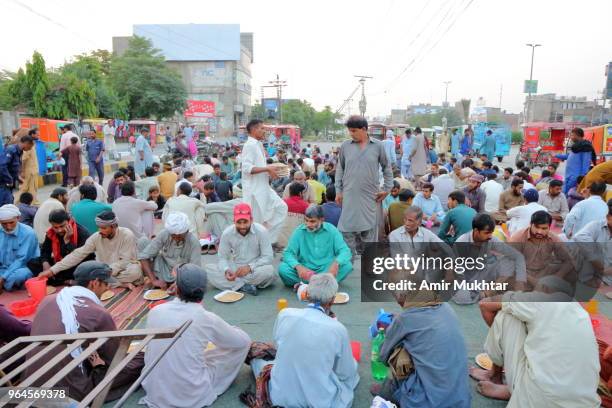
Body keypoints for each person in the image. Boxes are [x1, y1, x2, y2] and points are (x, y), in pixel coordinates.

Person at [27, 261, 144, 402]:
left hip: (30, 383)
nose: (108, 289)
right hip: (70, 393)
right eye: (106, 284)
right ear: (94, 283)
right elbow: (114, 359)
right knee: (139, 359)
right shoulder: (98, 313)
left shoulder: (47, 300)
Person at [142, 263, 250, 407]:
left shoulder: (156, 310)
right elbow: (242, 342)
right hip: (191, 396)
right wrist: (233, 329)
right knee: (237, 347)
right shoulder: (205, 317)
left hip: (155, 392)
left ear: (177, 289)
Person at [249, 273, 359, 408]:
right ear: (332, 300)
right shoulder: (338, 329)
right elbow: (345, 372)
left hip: (279, 396)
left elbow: (278, 348)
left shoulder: (285, 314)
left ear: (306, 294)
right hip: (319, 402)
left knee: (260, 362)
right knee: (351, 373)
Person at [473, 292, 600, 407]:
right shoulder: (576, 306)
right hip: (586, 402)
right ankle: (512, 387)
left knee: (506, 314)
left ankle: (495, 376)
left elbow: (485, 305)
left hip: (537, 401)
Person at [373, 270, 471, 408]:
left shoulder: (405, 320)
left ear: (400, 296)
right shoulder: (446, 307)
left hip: (427, 403)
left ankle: (391, 392)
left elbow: (383, 356)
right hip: (461, 401)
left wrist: (389, 331)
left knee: (398, 354)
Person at [335, 116, 393, 256]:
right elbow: (340, 169)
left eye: (354, 131)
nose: (351, 134)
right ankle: (347, 264)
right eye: (350, 131)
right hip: (349, 196)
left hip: (371, 197)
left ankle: (368, 267)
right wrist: (338, 191)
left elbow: (387, 168)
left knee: (370, 235)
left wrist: (386, 189)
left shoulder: (378, 146)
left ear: (364, 129)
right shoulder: (345, 146)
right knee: (346, 231)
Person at [43, 211, 143, 288]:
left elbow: (124, 261)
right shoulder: (96, 237)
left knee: (134, 271)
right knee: (87, 272)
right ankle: (116, 283)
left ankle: (105, 282)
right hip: (104, 271)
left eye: (104, 228)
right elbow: (78, 254)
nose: (100, 231)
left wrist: (105, 272)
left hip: (121, 269)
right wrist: (53, 270)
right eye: (99, 227)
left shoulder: (127, 235)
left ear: (114, 226)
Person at [453, 214, 527, 304]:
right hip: (464, 277)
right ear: (476, 231)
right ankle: (479, 294)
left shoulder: (491, 239)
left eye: (491, 232)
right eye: (487, 233)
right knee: (463, 298)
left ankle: (486, 292)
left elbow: (516, 255)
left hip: (483, 275)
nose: (490, 236)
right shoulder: (461, 242)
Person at [205, 203, 275, 295]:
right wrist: (226, 270)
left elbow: (268, 257)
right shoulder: (227, 233)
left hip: (255, 268)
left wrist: (249, 267)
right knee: (208, 270)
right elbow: (222, 258)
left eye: (245, 222)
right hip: (235, 268)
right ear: (234, 221)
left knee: (269, 271)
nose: (242, 226)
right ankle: (244, 285)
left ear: (251, 220)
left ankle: (236, 284)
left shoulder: (261, 231)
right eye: (239, 222)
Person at [279, 205, 352, 287]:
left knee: (347, 266)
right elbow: (288, 253)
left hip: (326, 270)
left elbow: (345, 251)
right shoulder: (299, 231)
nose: (308, 224)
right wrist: (298, 267)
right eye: (306, 220)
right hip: (306, 271)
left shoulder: (332, 230)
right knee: (283, 269)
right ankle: (324, 283)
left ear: (322, 219)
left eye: (312, 221)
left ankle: (307, 284)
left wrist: (336, 263)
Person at [241, 119, 288, 244]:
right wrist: (267, 168)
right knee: (256, 222)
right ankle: (257, 247)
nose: (264, 131)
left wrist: (270, 171)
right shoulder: (249, 145)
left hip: (264, 188)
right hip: (254, 192)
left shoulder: (258, 144)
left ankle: (266, 241)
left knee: (281, 208)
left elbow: (259, 166)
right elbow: (246, 169)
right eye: (262, 128)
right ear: (253, 130)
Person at [508, 211, 574, 288]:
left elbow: (569, 261)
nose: (539, 231)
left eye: (544, 228)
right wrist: (534, 281)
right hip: (523, 273)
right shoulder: (518, 238)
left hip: (544, 271)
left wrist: (557, 277)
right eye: (537, 227)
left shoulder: (553, 238)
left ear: (549, 227)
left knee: (573, 272)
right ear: (530, 224)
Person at [138, 212, 201, 289]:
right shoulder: (165, 234)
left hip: (181, 275)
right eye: (173, 236)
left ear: (186, 231)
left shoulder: (194, 243)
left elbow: (195, 270)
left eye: (180, 236)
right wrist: (153, 280)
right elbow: (143, 257)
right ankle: (155, 280)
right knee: (143, 241)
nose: (176, 239)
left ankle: (174, 284)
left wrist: (179, 284)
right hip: (162, 269)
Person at [34, 209, 93, 286]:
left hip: (77, 264)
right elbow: (45, 250)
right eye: (55, 227)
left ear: (69, 222)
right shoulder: (51, 232)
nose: (59, 230)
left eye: (62, 226)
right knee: (34, 262)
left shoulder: (82, 233)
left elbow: (77, 257)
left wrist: (67, 242)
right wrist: (45, 263)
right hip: (59, 263)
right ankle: (59, 279)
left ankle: (63, 280)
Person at [0, 204, 39, 293]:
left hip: (21, 268)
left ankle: (4, 285)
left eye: (11, 222)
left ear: (18, 218)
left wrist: (3, 277)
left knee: (20, 275)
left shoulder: (28, 233)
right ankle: (6, 285)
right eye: (4, 224)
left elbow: (21, 260)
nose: (8, 227)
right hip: (3, 268)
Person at [572, 199, 612, 285]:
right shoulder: (596, 226)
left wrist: (604, 271)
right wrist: (596, 260)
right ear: (609, 217)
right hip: (587, 277)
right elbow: (579, 237)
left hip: (608, 280)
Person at [556, 127, 596, 194]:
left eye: (572, 135)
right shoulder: (577, 146)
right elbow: (569, 156)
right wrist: (556, 155)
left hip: (575, 178)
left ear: (577, 135)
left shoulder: (585, 147)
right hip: (568, 176)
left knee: (569, 195)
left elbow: (585, 164)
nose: (571, 137)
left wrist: (581, 179)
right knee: (564, 194)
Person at [0, 135, 34, 206]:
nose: (30, 149)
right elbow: (2, 166)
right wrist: (9, 179)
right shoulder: (11, 150)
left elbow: (12, 168)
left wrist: (18, 178)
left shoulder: (19, 152)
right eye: (30, 146)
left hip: (7, 185)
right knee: (6, 206)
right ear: (26, 143)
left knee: (9, 204)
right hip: (3, 184)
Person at [16, 128, 39, 203]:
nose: (38, 135)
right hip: (29, 172)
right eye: (37, 134)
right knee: (25, 188)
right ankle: (15, 202)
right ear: (32, 134)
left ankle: (33, 202)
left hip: (33, 171)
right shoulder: (28, 146)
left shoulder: (32, 144)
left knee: (32, 188)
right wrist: (22, 171)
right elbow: (24, 159)